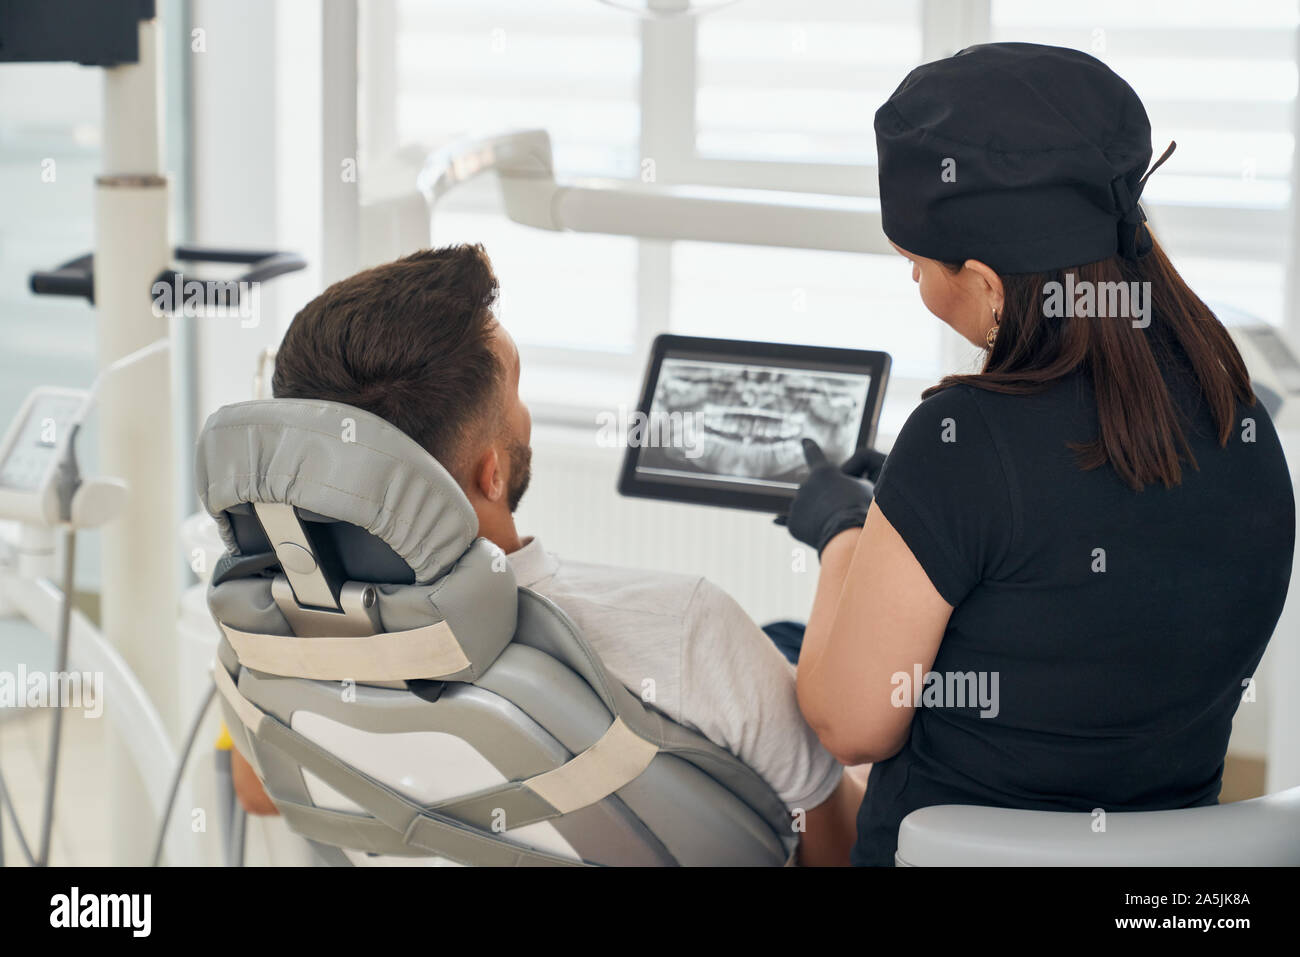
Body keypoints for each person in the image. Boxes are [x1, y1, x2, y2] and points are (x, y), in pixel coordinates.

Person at [782, 42, 1295, 866]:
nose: (913, 281)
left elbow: (848, 720)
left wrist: (842, 530)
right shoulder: (1243, 419)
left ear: (987, 283)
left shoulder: (964, 444)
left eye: (915, 266)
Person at [230, 243, 863, 865]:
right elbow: (839, 846)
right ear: (493, 474)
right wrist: (849, 537)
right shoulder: (685, 629)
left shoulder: (272, 643)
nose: (523, 414)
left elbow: (259, 790)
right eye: (518, 392)